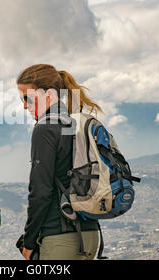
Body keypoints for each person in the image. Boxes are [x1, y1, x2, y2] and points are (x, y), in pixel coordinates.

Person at [17, 64, 102, 260]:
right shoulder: (75, 125)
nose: (24, 106)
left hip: (60, 239)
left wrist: (29, 242)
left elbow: (41, 192)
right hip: (90, 235)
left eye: (27, 99)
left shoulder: (45, 129)